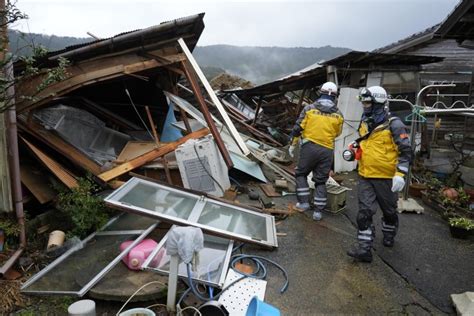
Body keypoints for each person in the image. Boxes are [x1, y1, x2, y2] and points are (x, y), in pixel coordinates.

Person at [346, 86, 411, 263]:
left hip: (386, 178)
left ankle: (389, 233)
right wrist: (356, 146)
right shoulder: (365, 121)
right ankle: (364, 249)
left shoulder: (394, 124)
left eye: (368, 102)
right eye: (363, 102)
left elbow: (406, 151)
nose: (365, 106)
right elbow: (366, 142)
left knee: (389, 212)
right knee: (364, 213)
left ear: (378, 102)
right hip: (365, 175)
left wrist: (400, 174)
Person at [288, 82, 344, 221]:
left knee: (301, 174)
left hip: (309, 147)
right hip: (327, 150)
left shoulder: (309, 109)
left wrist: (293, 144)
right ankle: (318, 212)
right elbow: (338, 133)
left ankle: (303, 203)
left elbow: (298, 128)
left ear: (320, 92)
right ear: (335, 96)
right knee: (320, 181)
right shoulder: (338, 114)